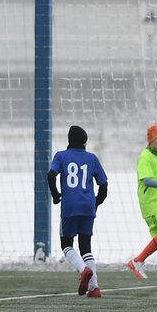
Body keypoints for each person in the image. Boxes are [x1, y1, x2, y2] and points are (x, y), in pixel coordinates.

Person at [48, 124, 109, 298]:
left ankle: (83, 270)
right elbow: (103, 185)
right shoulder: (92, 158)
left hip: (70, 206)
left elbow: (51, 175)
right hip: (88, 207)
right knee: (85, 246)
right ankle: (94, 288)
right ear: (85, 141)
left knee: (66, 244)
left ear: (69, 140)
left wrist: (55, 195)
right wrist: (96, 203)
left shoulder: (61, 156)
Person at [126, 124, 157, 279]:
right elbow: (147, 180)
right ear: (151, 140)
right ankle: (137, 261)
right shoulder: (145, 156)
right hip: (152, 203)